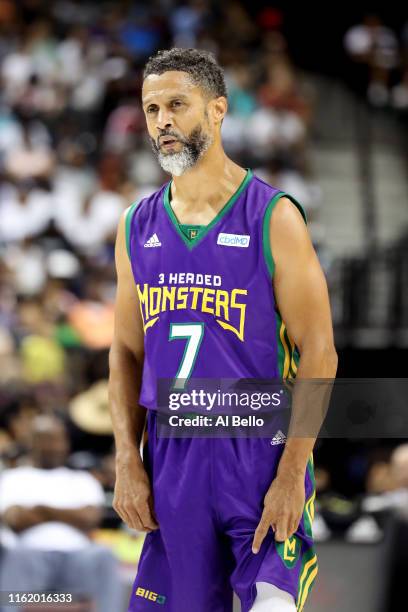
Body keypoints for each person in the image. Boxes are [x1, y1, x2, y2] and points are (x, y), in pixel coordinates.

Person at [109, 48, 338, 612]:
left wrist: (291, 475)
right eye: (152, 108)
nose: (162, 121)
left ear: (217, 111)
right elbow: (124, 351)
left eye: (177, 105)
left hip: (257, 446)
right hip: (172, 454)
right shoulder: (136, 225)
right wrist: (126, 458)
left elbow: (320, 352)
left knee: (273, 606)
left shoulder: (273, 215)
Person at [0, 414, 122, 612]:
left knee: (104, 554)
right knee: (14, 555)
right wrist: (70, 514)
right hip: (29, 555)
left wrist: (42, 510)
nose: (53, 446)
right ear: (32, 442)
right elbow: (15, 520)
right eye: (46, 440)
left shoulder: (82, 480)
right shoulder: (13, 478)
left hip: (79, 557)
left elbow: (90, 519)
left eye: (57, 439)